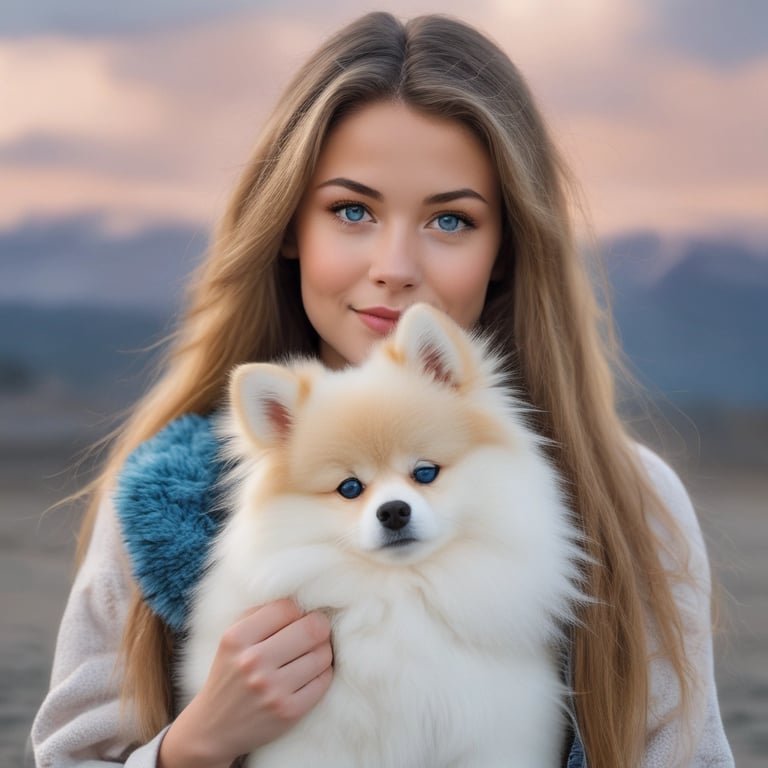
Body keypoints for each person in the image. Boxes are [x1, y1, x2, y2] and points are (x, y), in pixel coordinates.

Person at [31, 11, 734, 767]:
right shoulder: (162, 495)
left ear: (506, 248)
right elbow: (70, 754)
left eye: (451, 220)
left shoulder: (631, 500)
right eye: (352, 211)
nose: (395, 266)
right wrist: (195, 745)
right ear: (289, 226)